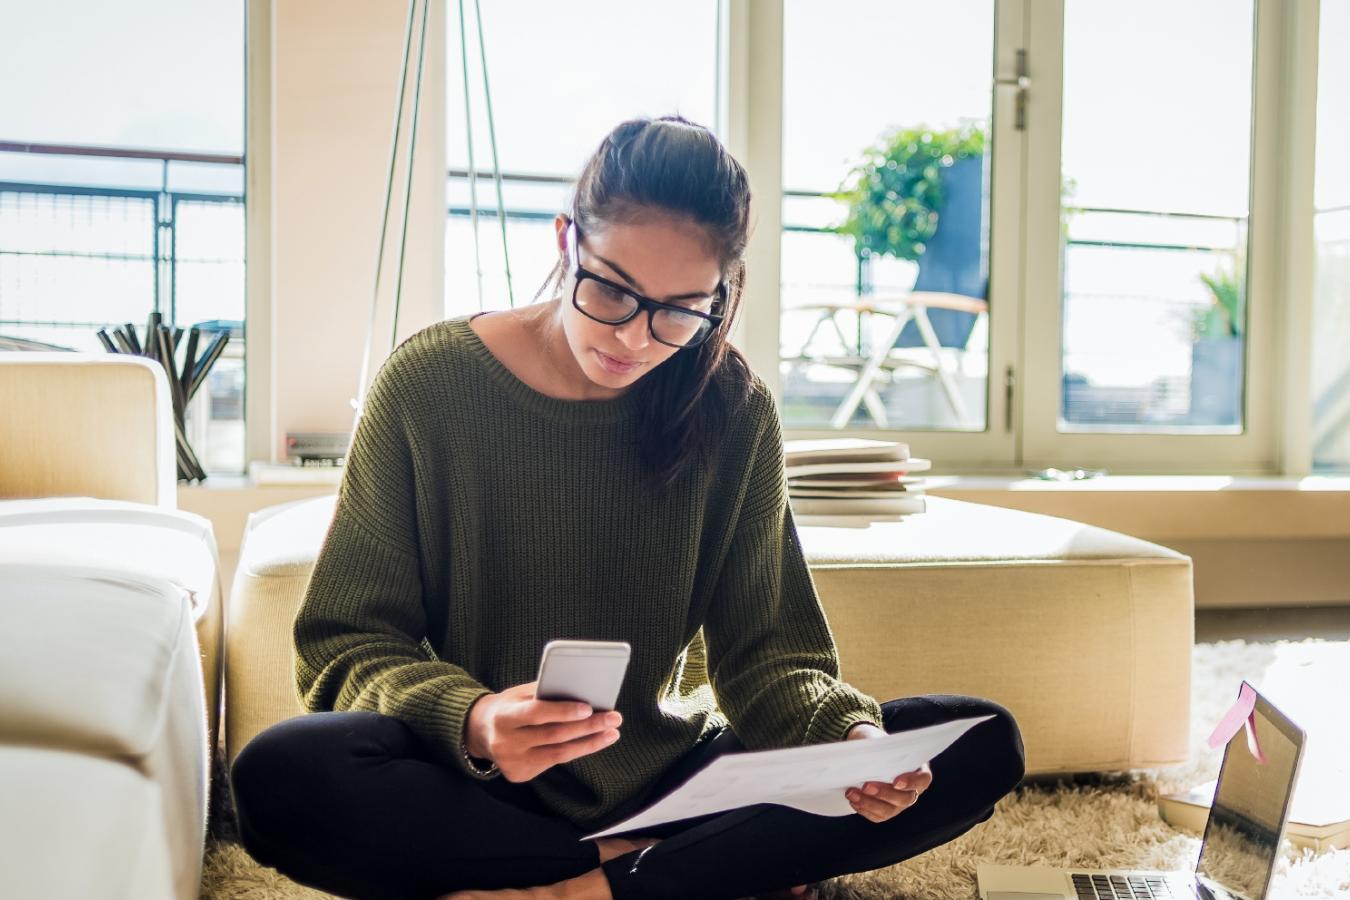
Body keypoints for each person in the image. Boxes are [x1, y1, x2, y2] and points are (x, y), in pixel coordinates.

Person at [228, 115, 1025, 900]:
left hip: (671, 779)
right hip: (483, 783)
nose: (638, 339)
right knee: (281, 776)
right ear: (566, 242)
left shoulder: (734, 411)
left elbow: (769, 658)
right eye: (612, 290)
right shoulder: (429, 386)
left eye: (682, 309)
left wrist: (851, 744)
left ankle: (580, 888)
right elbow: (345, 643)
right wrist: (473, 719)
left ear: (723, 292)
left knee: (980, 742)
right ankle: (657, 871)